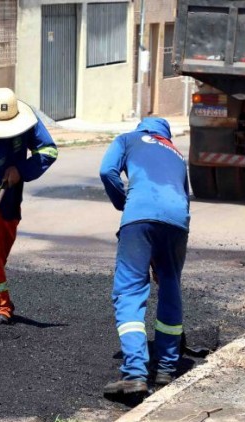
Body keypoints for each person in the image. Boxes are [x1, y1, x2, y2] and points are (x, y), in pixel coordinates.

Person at [99, 117, 190, 396]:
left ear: (142, 128)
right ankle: (166, 367)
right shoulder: (177, 154)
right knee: (170, 287)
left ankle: (135, 374)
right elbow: (184, 198)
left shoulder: (127, 139)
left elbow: (107, 172)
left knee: (129, 291)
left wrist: (124, 204)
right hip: (177, 223)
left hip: (139, 218)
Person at [0, 88, 58, 327]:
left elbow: (48, 151)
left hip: (11, 195)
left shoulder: (28, 123)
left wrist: (22, 170)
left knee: (2, 248)